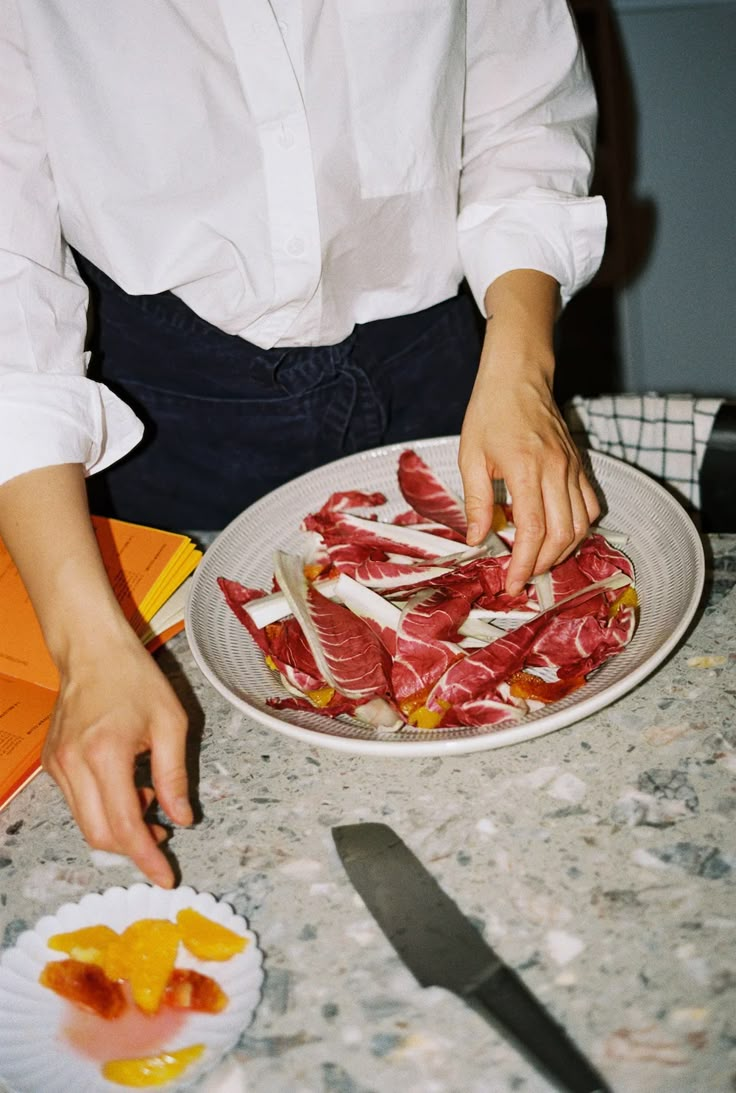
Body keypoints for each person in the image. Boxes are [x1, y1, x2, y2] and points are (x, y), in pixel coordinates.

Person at [0, 1, 605, 886]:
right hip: (162, 400)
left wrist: (518, 368)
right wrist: (88, 645)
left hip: (450, 351)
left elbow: (524, 118)